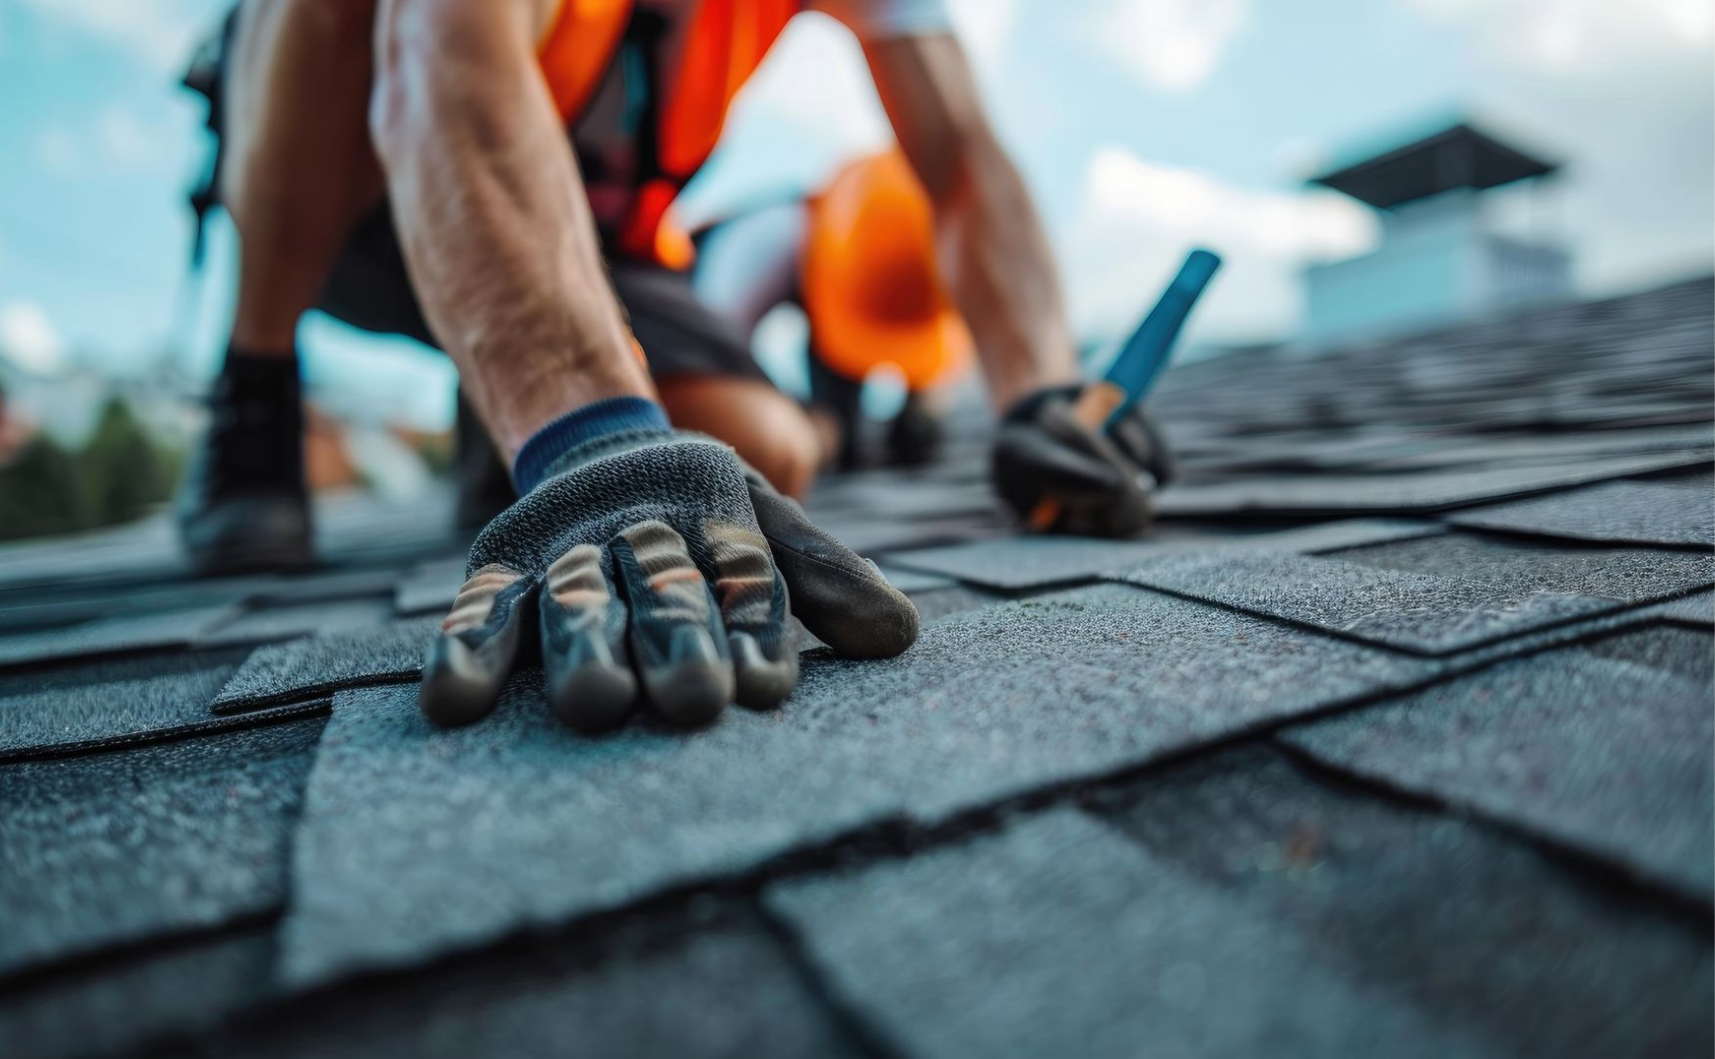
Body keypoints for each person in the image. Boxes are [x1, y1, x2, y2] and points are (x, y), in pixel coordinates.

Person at [179, 0, 1169, 731]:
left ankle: (501, 412)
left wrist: (1041, 391)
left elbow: (959, 162)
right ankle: (255, 392)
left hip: (578, 219)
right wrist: (590, 432)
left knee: (761, 455)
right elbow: (444, 58)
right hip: (349, 176)